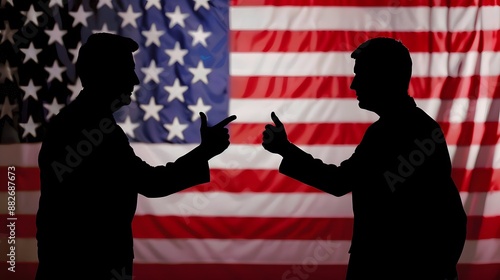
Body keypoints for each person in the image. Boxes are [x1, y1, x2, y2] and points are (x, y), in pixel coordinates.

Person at [262, 37, 466, 280]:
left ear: (384, 78)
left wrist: (285, 149)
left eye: (361, 74)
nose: (353, 84)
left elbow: (338, 182)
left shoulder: (392, 132)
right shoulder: (417, 127)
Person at [35, 33, 236, 279]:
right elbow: (152, 183)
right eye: (126, 70)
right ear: (105, 74)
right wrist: (205, 151)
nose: (135, 79)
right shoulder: (94, 130)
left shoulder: (79, 123)